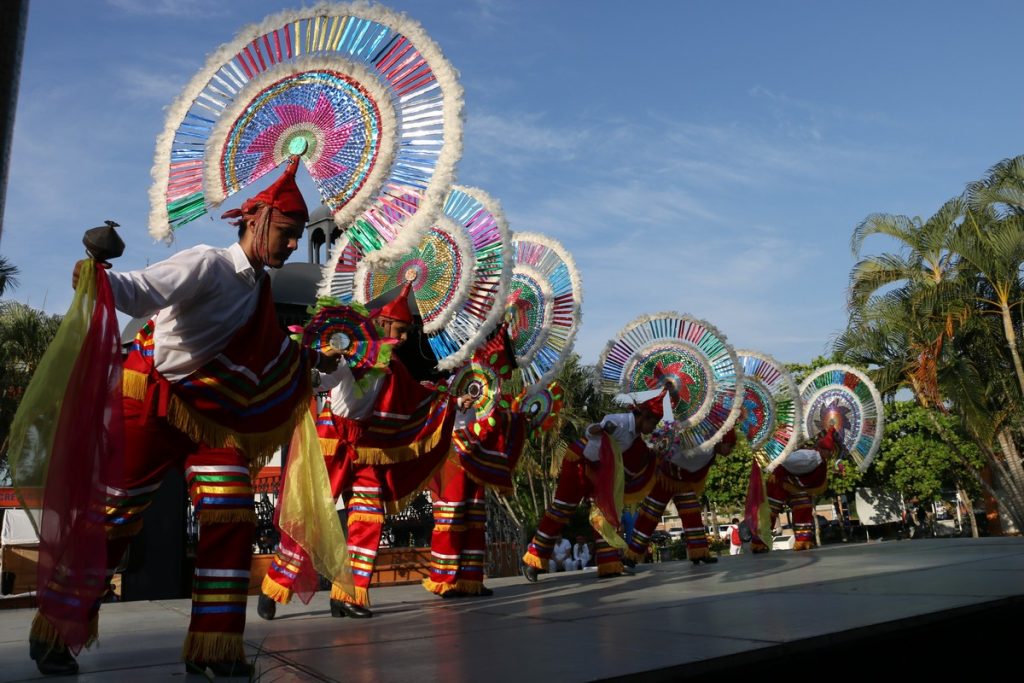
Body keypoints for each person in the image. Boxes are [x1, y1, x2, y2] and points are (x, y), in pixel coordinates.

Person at [30, 158, 339, 677]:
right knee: (113, 521)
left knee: (233, 515)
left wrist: (314, 364)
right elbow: (139, 291)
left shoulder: (260, 289)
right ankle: (56, 629)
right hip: (150, 402)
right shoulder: (207, 263)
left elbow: (272, 357)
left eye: (296, 237)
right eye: (286, 234)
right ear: (258, 220)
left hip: (210, 421)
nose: (291, 245)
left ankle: (214, 649)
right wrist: (98, 278)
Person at [260, 283, 466, 619]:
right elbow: (319, 383)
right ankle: (275, 584)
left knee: (369, 516)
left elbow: (415, 398)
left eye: (405, 332)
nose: (401, 338)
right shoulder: (349, 354)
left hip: (366, 446)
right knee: (312, 517)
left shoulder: (395, 368)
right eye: (399, 330)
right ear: (383, 324)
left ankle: (349, 595)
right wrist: (319, 366)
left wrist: (452, 400)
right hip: (332, 439)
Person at [522, 391, 666, 581]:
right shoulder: (620, 421)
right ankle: (532, 560)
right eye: (653, 423)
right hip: (579, 462)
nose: (653, 428)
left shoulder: (636, 440)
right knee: (562, 510)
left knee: (605, 515)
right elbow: (591, 431)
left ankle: (609, 564)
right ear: (645, 416)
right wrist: (598, 429)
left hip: (599, 471)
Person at [624, 430, 737, 566]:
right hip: (664, 479)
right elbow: (675, 446)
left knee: (693, 514)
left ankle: (699, 552)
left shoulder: (710, 452)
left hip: (683, 482)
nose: (731, 450)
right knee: (650, 514)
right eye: (730, 446)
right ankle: (632, 555)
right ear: (721, 441)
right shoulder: (704, 447)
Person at [752, 428, 840, 552]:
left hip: (798, 485)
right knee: (771, 509)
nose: (830, 454)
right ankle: (759, 542)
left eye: (831, 451)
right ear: (821, 449)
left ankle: (803, 540)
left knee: (804, 507)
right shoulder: (808, 456)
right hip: (779, 481)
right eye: (828, 451)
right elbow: (784, 460)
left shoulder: (820, 461)